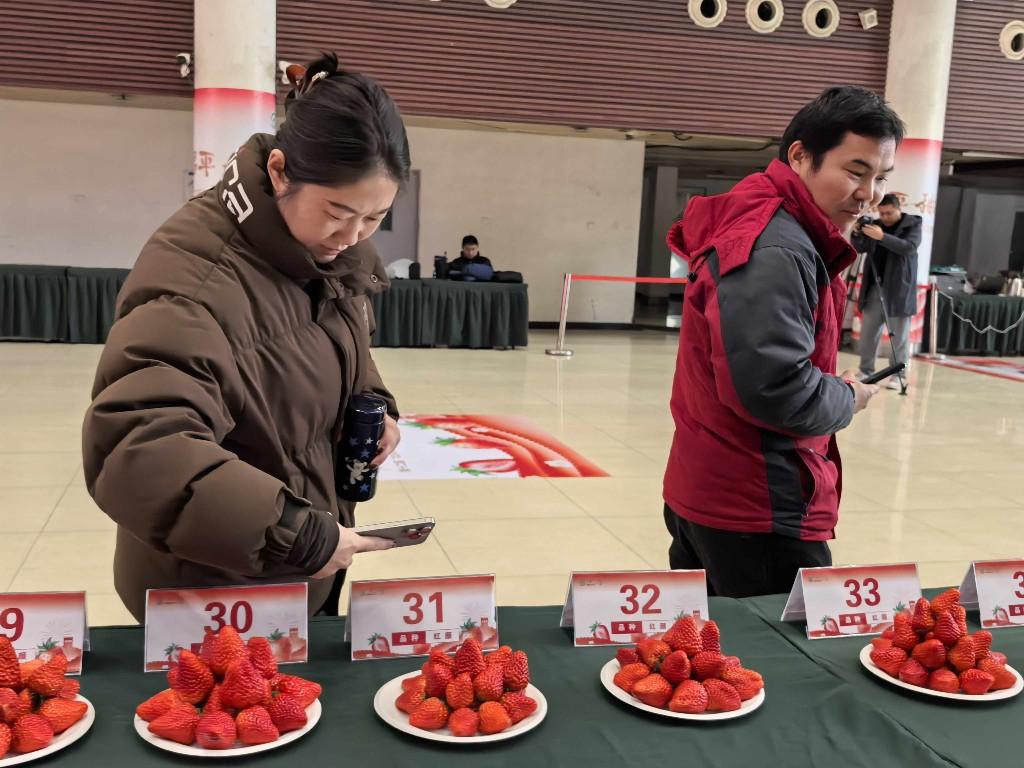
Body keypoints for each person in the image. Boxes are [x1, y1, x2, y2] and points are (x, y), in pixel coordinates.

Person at [82, 53, 407, 621]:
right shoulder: (196, 278)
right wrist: (292, 532)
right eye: (338, 212)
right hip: (212, 588)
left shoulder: (327, 253)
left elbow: (342, 339)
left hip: (300, 566)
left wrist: (375, 404)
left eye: (375, 217)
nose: (353, 235)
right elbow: (136, 448)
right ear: (279, 172)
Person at [662, 86, 898, 597]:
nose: (869, 194)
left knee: (711, 641)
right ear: (800, 156)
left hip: (714, 488)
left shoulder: (769, 223)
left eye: (881, 178)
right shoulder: (776, 246)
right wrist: (846, 397)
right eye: (855, 171)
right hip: (756, 507)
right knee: (776, 644)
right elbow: (774, 389)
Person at [851, 194, 922, 390]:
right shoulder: (875, 225)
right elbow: (861, 248)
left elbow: (908, 247)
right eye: (881, 213)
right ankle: (865, 370)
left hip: (899, 290)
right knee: (868, 332)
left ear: (899, 209)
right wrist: (857, 233)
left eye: (889, 213)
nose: (885, 217)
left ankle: (898, 375)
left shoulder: (912, 225)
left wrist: (882, 237)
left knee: (899, 337)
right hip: (874, 287)